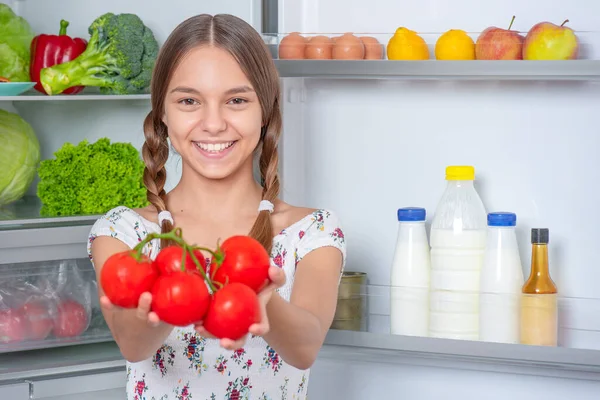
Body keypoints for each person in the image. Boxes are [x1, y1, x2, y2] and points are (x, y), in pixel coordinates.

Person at [87, 13, 346, 399]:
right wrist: (172, 301)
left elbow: (305, 347)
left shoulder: (312, 232)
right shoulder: (122, 234)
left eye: (236, 100)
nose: (213, 124)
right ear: (162, 112)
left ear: (265, 113)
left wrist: (262, 301)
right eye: (189, 100)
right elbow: (133, 344)